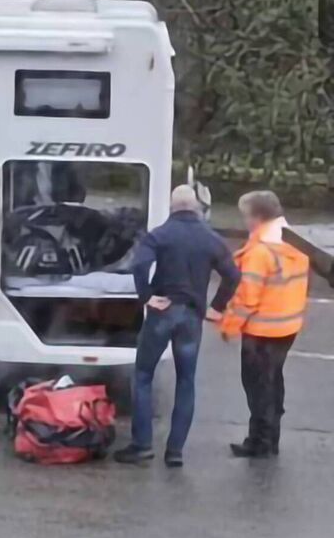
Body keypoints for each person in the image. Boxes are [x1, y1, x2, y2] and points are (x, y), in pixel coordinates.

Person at [114, 185, 241, 467]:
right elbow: (233, 275)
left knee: (143, 375)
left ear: (172, 207)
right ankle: (175, 452)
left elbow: (139, 265)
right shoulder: (211, 238)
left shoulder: (160, 234)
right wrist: (217, 307)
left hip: (163, 311)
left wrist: (147, 296)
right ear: (196, 207)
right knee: (186, 381)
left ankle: (142, 445)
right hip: (192, 317)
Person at [219, 191, 310, 458]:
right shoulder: (295, 242)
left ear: (257, 217)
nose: (244, 221)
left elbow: (248, 298)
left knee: (258, 387)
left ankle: (259, 442)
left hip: (261, 330)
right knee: (273, 382)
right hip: (287, 326)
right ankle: (271, 438)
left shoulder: (260, 252)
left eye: (246, 216)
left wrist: (228, 326)